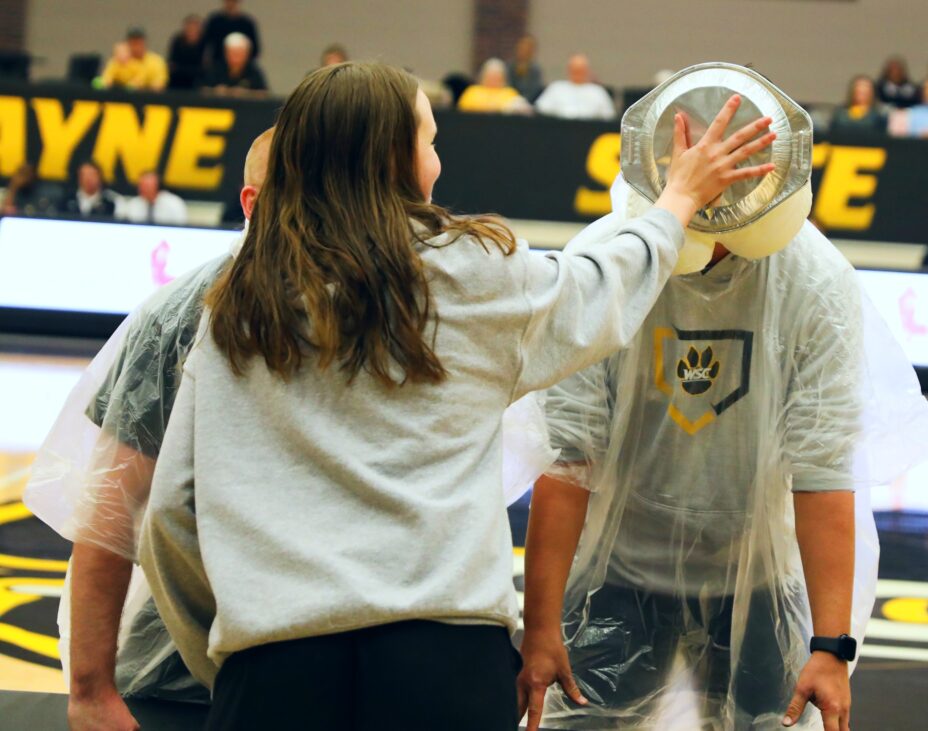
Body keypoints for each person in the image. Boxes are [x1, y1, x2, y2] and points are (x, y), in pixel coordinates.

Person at [136, 62, 776, 730]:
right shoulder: (472, 271)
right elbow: (601, 290)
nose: (437, 163)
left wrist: (236, 652)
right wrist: (677, 199)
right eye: (430, 141)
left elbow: (172, 515)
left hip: (273, 665)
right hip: (445, 667)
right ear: (394, 158)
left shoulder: (235, 302)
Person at [516, 64, 928, 731]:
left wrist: (831, 646)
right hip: (619, 574)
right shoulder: (606, 261)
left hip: (761, 578)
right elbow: (568, 460)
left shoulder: (814, 279)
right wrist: (540, 627)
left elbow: (825, 470)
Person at [22, 129, 273, 731]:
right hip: (177, 678)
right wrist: (89, 690)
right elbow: (110, 510)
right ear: (252, 204)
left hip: (306, 666)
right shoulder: (182, 315)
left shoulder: (373, 310)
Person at [534, 54, 616, 120]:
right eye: (575, 70)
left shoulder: (598, 91)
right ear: (568, 70)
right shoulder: (556, 88)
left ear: (587, 70)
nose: (577, 74)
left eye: (580, 70)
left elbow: (609, 116)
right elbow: (540, 110)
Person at [99, 28, 168, 91]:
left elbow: (159, 85)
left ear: (144, 43)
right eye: (133, 43)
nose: (136, 47)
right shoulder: (117, 61)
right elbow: (105, 81)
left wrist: (140, 87)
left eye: (139, 43)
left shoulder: (156, 61)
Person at [201, 32, 268, 97]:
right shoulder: (216, 69)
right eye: (232, 53)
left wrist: (246, 93)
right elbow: (202, 89)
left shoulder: (254, 71)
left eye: (239, 54)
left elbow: (264, 93)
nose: (236, 58)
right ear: (226, 53)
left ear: (247, 54)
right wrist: (216, 91)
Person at [201, 0, 260, 66]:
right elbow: (205, 44)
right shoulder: (215, 22)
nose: (230, 3)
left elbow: (255, 49)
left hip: (242, 67)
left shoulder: (247, 23)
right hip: (218, 65)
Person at [457, 58, 527, 113]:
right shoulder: (472, 92)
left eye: (497, 77)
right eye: (490, 76)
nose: (493, 80)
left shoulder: (510, 93)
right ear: (483, 77)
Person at [117, 172, 188, 225]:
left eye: (146, 186)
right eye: (141, 185)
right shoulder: (133, 204)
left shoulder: (173, 203)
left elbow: (181, 225)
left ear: (156, 186)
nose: (142, 189)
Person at [167, 15, 205, 90]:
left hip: (197, 83)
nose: (192, 30)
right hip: (177, 82)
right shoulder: (177, 41)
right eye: (189, 27)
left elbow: (204, 68)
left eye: (194, 27)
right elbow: (172, 65)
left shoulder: (204, 43)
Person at [508, 35, 543, 102]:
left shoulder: (536, 71)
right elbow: (508, 87)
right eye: (522, 48)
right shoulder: (508, 67)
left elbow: (536, 90)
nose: (525, 51)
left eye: (529, 48)